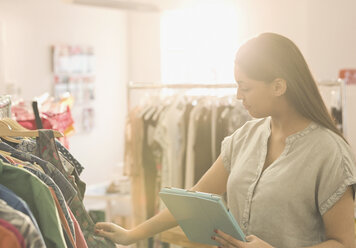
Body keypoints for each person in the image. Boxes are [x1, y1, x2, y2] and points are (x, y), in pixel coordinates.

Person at [95, 33, 356, 248]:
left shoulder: (329, 151)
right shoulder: (244, 138)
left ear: (278, 86)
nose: (238, 96)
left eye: (246, 87)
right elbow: (193, 200)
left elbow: (344, 242)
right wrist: (131, 235)